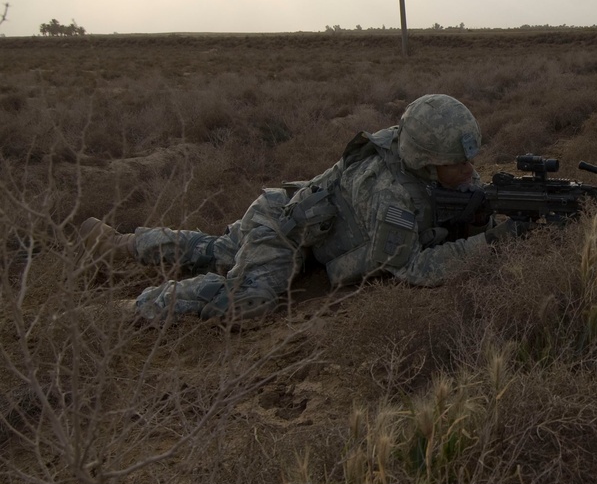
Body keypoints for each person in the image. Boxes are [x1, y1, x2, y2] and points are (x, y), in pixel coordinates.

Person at [79, 94, 528, 322]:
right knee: (248, 301)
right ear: (429, 160)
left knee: (216, 251)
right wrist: (490, 243)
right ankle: (129, 309)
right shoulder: (388, 191)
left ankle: (120, 243)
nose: (472, 169)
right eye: (460, 162)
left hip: (302, 222)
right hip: (283, 227)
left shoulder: (422, 157)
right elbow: (412, 267)